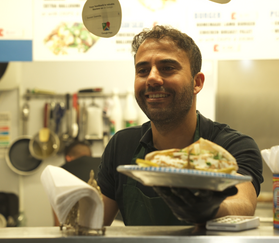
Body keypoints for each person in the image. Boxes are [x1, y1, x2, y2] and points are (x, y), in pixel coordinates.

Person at [97, 25, 263, 226]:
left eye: (167, 68)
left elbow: (242, 203)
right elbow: (93, 224)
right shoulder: (121, 145)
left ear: (197, 83)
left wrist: (211, 209)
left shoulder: (232, 145)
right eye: (143, 70)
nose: (152, 78)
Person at [54, 140, 101, 226]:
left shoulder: (60, 172)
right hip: (118, 225)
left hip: (79, 227)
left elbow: (58, 219)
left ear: (68, 158)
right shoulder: (104, 165)